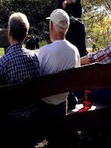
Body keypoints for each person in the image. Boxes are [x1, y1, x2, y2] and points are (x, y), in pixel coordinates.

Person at [37, 9, 80, 145]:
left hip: (44, 108)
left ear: (51, 25)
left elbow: (36, 79)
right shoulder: (74, 51)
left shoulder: (45, 51)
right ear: (66, 28)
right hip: (62, 104)